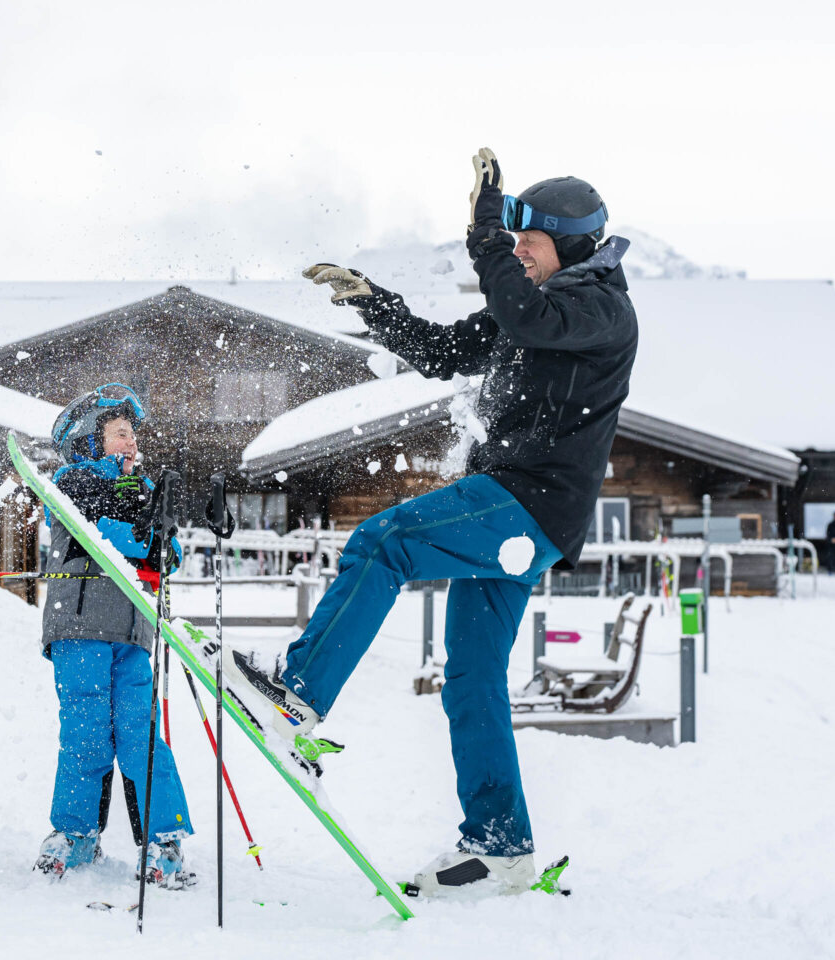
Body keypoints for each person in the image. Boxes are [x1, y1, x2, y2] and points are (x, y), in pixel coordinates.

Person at [227, 149, 639, 897]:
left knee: (382, 541)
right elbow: (446, 351)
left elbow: (521, 310)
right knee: (472, 678)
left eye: (528, 244)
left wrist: (484, 228)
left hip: (529, 504)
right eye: (514, 244)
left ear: (572, 247)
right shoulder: (539, 305)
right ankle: (501, 844)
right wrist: (371, 301)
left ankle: (300, 698)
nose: (518, 254)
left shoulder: (596, 307)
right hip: (517, 512)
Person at [33, 384, 195, 890]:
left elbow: (168, 554)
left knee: (140, 734)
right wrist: (142, 520)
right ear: (88, 441)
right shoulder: (70, 481)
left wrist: (165, 538)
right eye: (120, 433)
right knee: (84, 733)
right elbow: (100, 527)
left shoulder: (141, 489)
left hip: (132, 633)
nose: (131, 442)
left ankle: (163, 837)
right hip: (79, 628)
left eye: (133, 434)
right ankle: (75, 832)